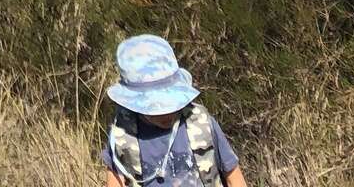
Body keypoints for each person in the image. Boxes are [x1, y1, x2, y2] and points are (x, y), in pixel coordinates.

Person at [101, 34, 247, 186]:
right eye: (155, 108)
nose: (166, 113)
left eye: (171, 103)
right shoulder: (123, 134)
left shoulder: (201, 123)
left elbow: (234, 178)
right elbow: (115, 181)